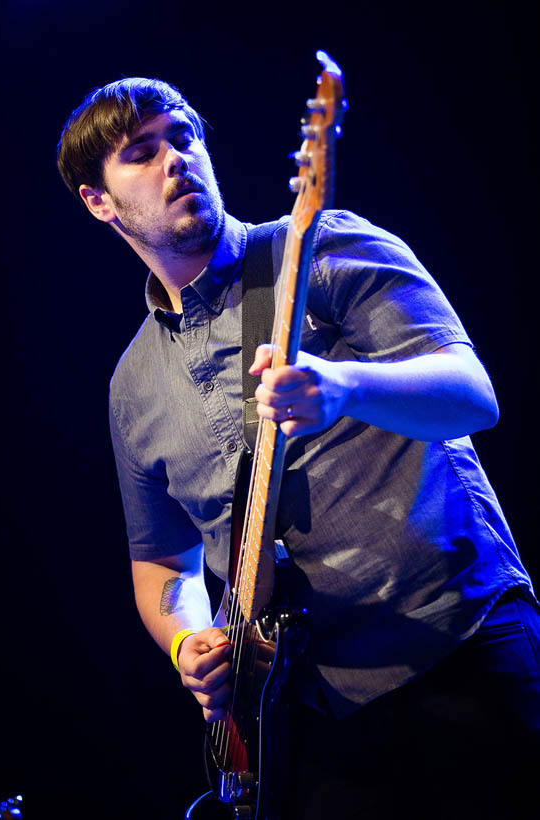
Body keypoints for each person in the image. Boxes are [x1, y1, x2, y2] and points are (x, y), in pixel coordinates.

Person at [57, 77, 539, 818]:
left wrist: (343, 386)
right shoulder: (132, 386)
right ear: (98, 200)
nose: (176, 160)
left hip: (457, 649)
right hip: (308, 717)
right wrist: (188, 644)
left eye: (184, 136)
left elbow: (471, 395)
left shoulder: (320, 245)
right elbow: (162, 565)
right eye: (141, 153)